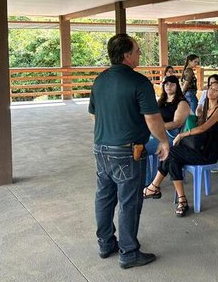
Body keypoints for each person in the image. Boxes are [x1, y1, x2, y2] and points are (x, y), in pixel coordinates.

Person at [89, 33, 169, 269]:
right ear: (126, 55)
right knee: (129, 201)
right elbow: (153, 118)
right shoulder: (139, 82)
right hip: (127, 151)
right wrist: (164, 141)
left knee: (104, 197)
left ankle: (105, 244)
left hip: (101, 148)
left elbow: (94, 112)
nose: (139, 54)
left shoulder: (100, 80)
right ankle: (129, 252)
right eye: (136, 50)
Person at [142, 79, 218, 216]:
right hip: (198, 148)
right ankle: (182, 200)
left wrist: (182, 135)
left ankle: (154, 186)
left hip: (208, 153)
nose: (211, 91)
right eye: (210, 88)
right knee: (173, 158)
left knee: (171, 152)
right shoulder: (204, 109)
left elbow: (203, 128)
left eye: (216, 90)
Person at [144, 75, 191, 156]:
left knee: (143, 148)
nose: (169, 86)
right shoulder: (160, 102)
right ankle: (149, 169)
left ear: (177, 86)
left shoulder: (182, 103)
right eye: (166, 84)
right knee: (138, 142)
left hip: (172, 136)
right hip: (157, 133)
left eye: (172, 84)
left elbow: (177, 123)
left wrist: (157, 126)